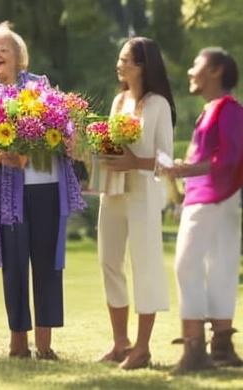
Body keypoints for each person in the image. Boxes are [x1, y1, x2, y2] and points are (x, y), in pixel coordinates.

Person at [0, 22, 84, 360]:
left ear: (20, 58)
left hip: (46, 187)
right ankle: (18, 341)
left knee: (47, 265)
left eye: (4, 49)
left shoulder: (40, 87)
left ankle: (45, 345)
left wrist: (68, 134)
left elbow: (65, 123)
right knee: (15, 265)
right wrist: (1, 154)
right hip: (7, 195)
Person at [161, 48, 243, 372]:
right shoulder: (211, 110)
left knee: (187, 266)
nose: (190, 71)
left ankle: (195, 350)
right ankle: (221, 346)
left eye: (196, 65)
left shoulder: (230, 109)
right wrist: (182, 183)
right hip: (206, 199)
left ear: (216, 70)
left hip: (215, 199)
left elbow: (230, 158)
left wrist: (186, 170)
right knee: (219, 268)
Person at [97, 37, 176, 370]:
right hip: (113, 191)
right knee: (109, 262)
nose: (119, 64)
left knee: (144, 266)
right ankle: (120, 344)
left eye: (125, 59)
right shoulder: (118, 102)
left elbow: (166, 160)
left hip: (144, 193)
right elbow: (113, 148)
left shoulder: (158, 105)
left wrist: (135, 163)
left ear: (142, 65)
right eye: (119, 59)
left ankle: (142, 350)